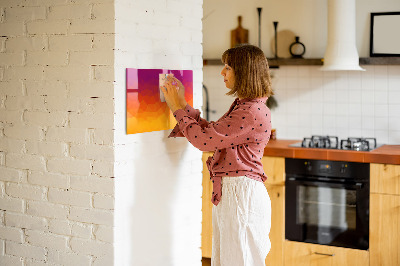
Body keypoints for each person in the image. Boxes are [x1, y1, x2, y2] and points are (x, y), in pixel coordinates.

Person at [161, 44, 273, 266]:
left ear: (244, 72)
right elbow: (212, 133)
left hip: (241, 195)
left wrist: (176, 107)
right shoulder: (246, 106)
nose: (222, 72)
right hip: (236, 193)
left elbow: (204, 141)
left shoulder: (250, 111)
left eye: (228, 67)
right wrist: (182, 104)